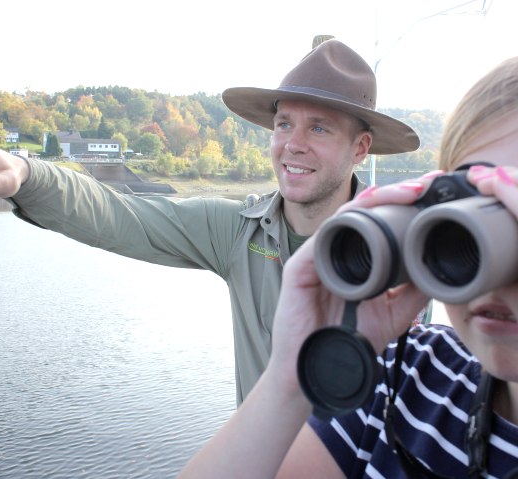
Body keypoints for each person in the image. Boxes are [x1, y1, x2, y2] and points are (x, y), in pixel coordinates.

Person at [0, 39, 418, 404]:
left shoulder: (405, 248)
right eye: (283, 124)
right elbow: (120, 215)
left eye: (318, 128)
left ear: (360, 148)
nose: (292, 144)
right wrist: (25, 174)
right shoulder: (238, 230)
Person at [176, 57, 518, 478]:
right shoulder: (409, 374)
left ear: (361, 148)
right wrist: (289, 378)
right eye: (477, 208)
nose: (499, 268)